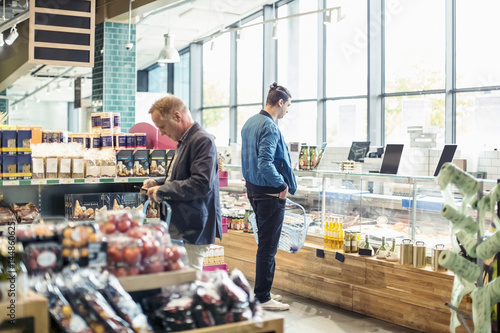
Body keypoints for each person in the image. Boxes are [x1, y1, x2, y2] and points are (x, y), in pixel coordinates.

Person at [141, 95, 222, 271]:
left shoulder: (202, 140)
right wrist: (157, 183)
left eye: (162, 127)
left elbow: (201, 183)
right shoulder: (185, 141)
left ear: (177, 116)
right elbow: (179, 177)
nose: (161, 133)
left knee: (189, 284)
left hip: (193, 228)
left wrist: (162, 190)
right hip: (183, 226)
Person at [240, 82, 297, 311]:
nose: (287, 110)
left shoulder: (249, 122)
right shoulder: (270, 126)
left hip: (254, 190)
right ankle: (263, 297)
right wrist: (282, 185)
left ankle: (264, 291)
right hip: (269, 193)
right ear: (280, 102)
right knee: (268, 247)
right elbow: (265, 163)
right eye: (288, 105)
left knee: (265, 245)